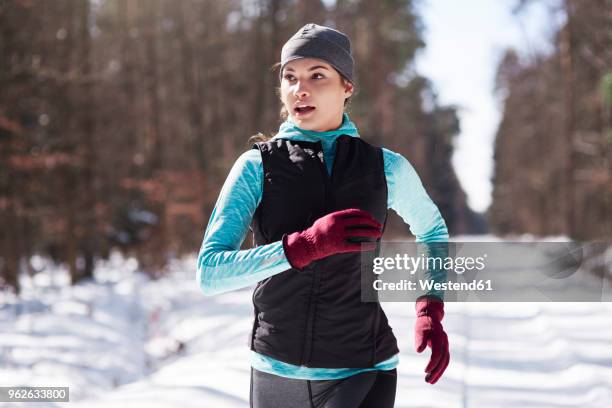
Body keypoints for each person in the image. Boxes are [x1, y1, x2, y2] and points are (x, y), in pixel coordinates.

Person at [197, 23, 450, 408]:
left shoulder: (385, 167)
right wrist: (303, 247)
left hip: (364, 367)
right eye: (290, 76)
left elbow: (432, 231)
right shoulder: (256, 167)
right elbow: (211, 272)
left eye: (318, 76)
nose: (301, 88)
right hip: (276, 369)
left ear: (346, 87)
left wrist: (429, 304)